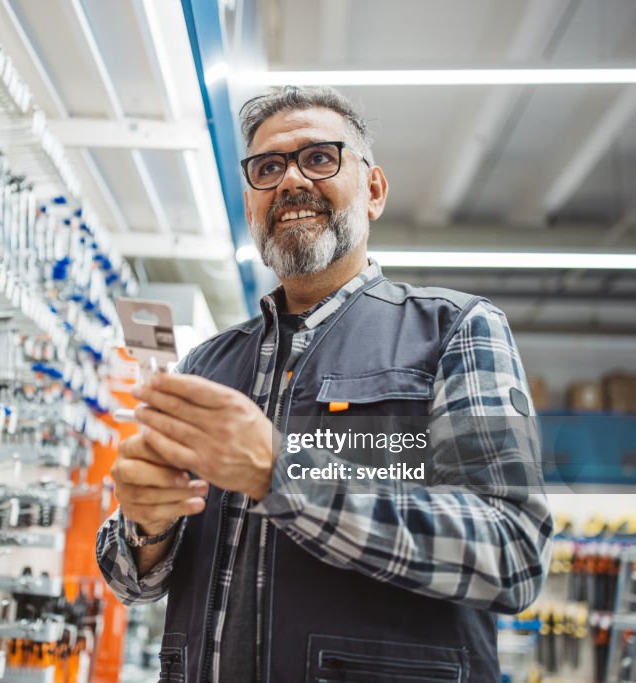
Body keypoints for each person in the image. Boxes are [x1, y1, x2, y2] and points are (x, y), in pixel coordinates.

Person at [96, 86, 553, 682]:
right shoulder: (207, 363)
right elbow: (136, 583)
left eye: (319, 158)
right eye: (268, 167)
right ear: (253, 201)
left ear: (375, 190)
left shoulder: (454, 331)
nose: (289, 181)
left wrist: (277, 472)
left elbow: (512, 553)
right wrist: (145, 526)